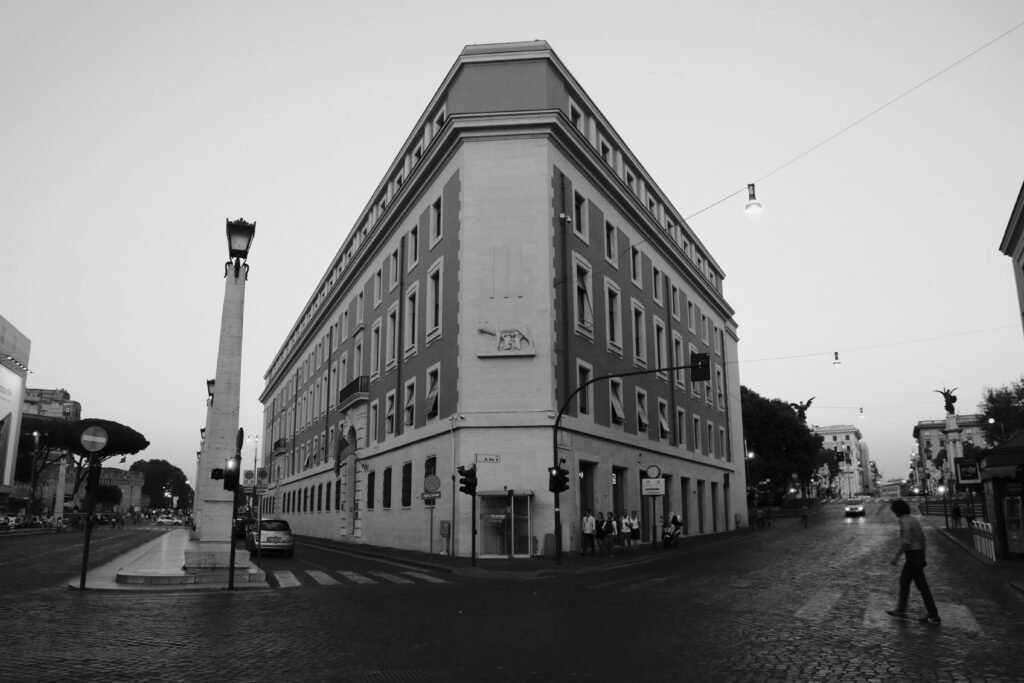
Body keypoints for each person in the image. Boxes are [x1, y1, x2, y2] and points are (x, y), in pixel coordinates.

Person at [886, 499, 941, 625]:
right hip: (917, 554)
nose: (894, 513)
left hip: (912, 556)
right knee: (904, 582)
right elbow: (922, 539)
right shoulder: (913, 520)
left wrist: (896, 557)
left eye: (894, 511)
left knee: (922, 586)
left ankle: (933, 615)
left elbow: (906, 541)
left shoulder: (904, 522)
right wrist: (923, 555)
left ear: (897, 511)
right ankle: (900, 609)